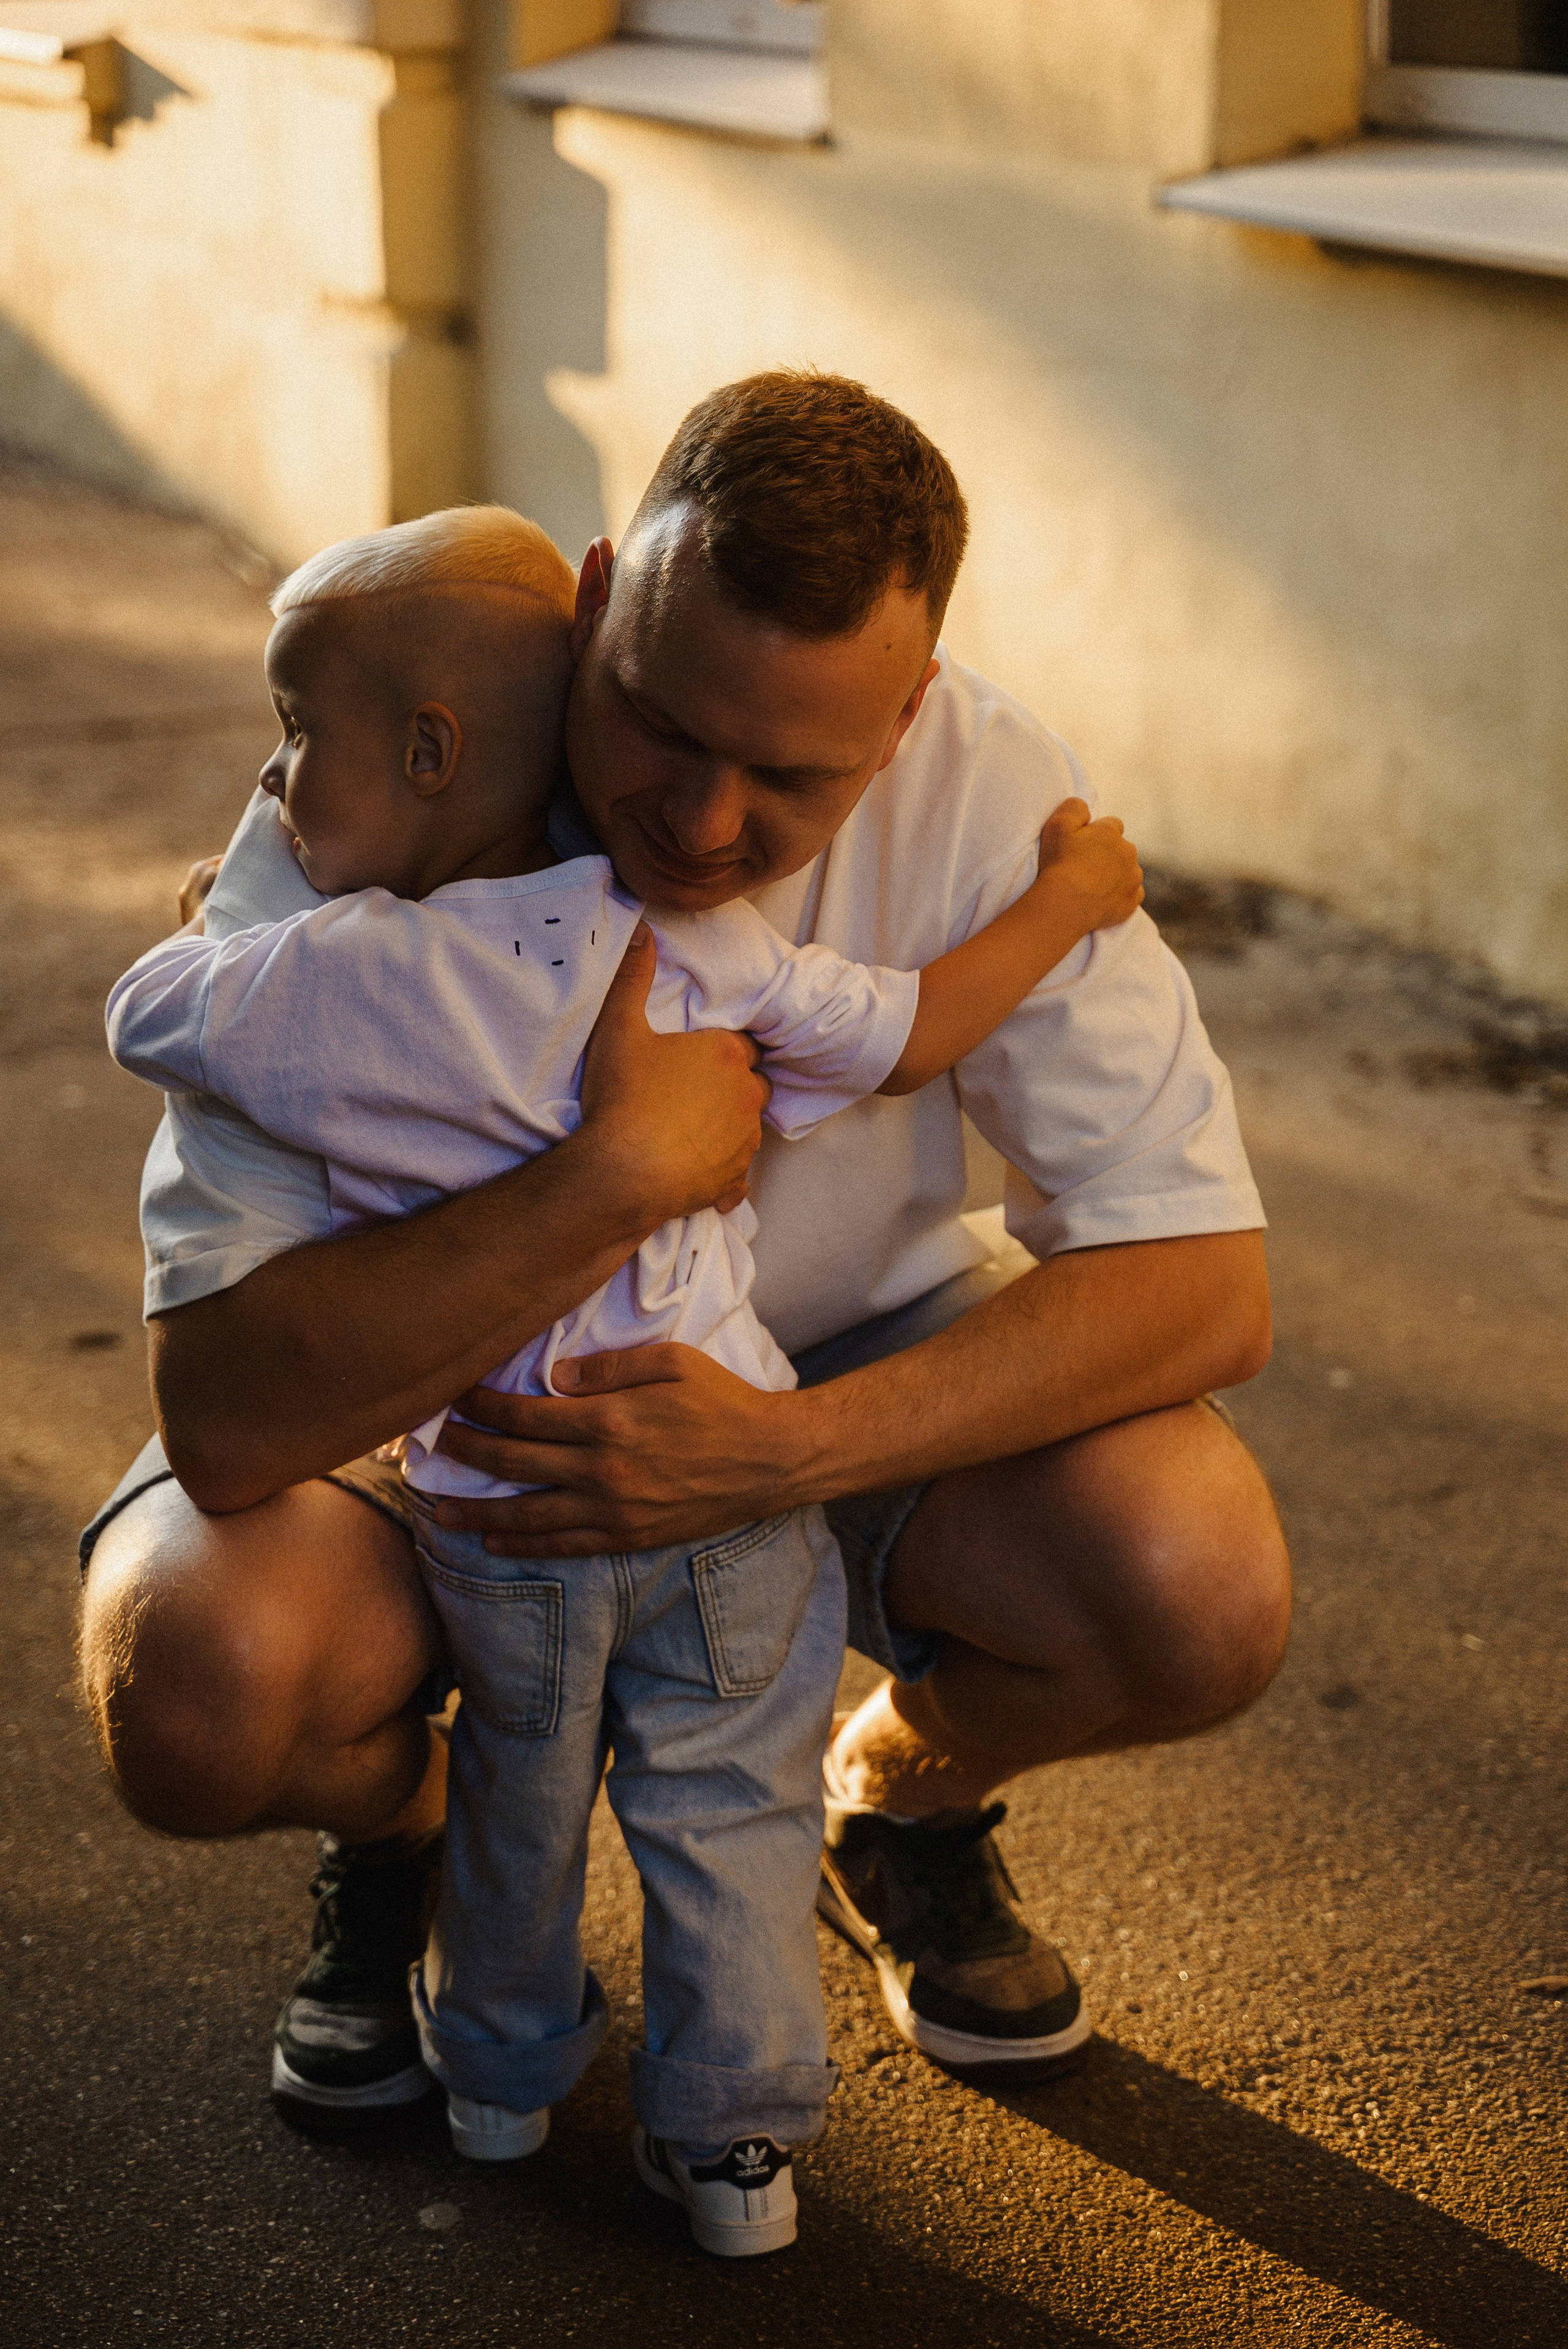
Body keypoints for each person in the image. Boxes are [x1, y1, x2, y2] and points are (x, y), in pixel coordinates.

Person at [79, 372, 1287, 2158]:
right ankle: (409, 1824)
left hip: (821, 1372)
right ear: (593, 598)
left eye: (792, 776)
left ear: (903, 721)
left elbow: (1207, 1282)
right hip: (437, 1411)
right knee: (194, 1685)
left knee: (1195, 1582)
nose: (704, 824)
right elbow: (234, 1416)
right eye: (654, 720)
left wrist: (782, 1452)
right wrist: (613, 1176)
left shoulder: (988, 792)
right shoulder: (385, 783)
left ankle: (890, 1798)